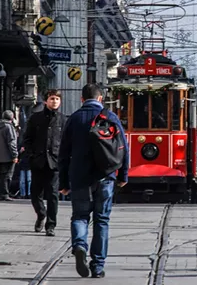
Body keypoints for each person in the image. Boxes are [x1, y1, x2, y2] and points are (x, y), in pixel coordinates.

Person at [58, 83, 129, 278]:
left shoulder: (74, 119)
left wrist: (63, 183)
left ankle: (80, 245)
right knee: (102, 220)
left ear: (82, 99)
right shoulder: (110, 117)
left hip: (79, 177)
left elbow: (63, 153)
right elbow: (123, 147)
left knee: (80, 216)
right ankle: (97, 265)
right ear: (100, 99)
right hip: (105, 176)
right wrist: (122, 175)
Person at [23, 89, 66, 236]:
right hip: (38, 161)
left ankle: (51, 225)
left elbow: (66, 142)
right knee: (35, 194)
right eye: (52, 99)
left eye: (57, 99)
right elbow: (27, 138)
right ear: (46, 101)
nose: (54, 101)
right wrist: (31, 155)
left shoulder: (63, 120)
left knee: (53, 194)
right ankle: (41, 214)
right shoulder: (36, 118)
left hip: (54, 162)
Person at [0, 110, 18, 201]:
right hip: (8, 154)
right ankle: (5, 193)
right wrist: (15, 155)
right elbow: (12, 142)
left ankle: (2, 192)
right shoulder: (9, 127)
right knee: (8, 175)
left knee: (2, 174)